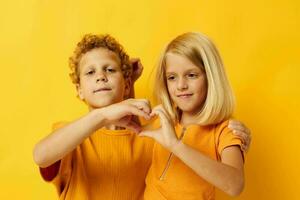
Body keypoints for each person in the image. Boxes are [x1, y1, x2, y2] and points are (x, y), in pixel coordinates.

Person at [33, 33, 251, 200]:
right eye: (90, 72)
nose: (100, 76)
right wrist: (103, 115)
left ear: (126, 84)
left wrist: (235, 137)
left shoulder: (152, 134)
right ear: (79, 90)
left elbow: (139, 126)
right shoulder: (70, 138)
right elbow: (41, 156)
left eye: (110, 70)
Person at [140, 32, 249, 200]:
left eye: (192, 75)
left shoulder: (225, 131)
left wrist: (175, 145)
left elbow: (235, 185)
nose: (181, 85)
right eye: (172, 77)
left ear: (210, 78)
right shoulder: (162, 119)